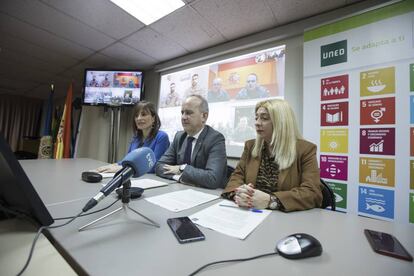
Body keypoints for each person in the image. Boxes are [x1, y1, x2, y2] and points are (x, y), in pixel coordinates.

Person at [222, 99, 322, 212]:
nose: (257, 123)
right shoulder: (251, 146)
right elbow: (236, 178)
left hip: (283, 217)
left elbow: (312, 193)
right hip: (250, 212)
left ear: (282, 122)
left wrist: (272, 201)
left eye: (264, 118)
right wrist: (239, 194)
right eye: (256, 118)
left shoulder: (305, 150)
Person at [155, 95, 227, 189]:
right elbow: (159, 166)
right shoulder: (179, 136)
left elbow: (212, 179)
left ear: (204, 116)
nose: (183, 117)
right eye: (182, 113)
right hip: (180, 190)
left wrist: (182, 168)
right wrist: (179, 177)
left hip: (207, 195)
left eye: (189, 113)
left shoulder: (215, 139)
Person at [96, 101, 170, 173]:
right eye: (136, 115)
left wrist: (122, 168)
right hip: (135, 176)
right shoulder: (136, 138)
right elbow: (127, 160)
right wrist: (112, 166)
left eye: (143, 114)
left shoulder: (162, 137)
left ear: (153, 118)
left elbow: (154, 166)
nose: (138, 118)